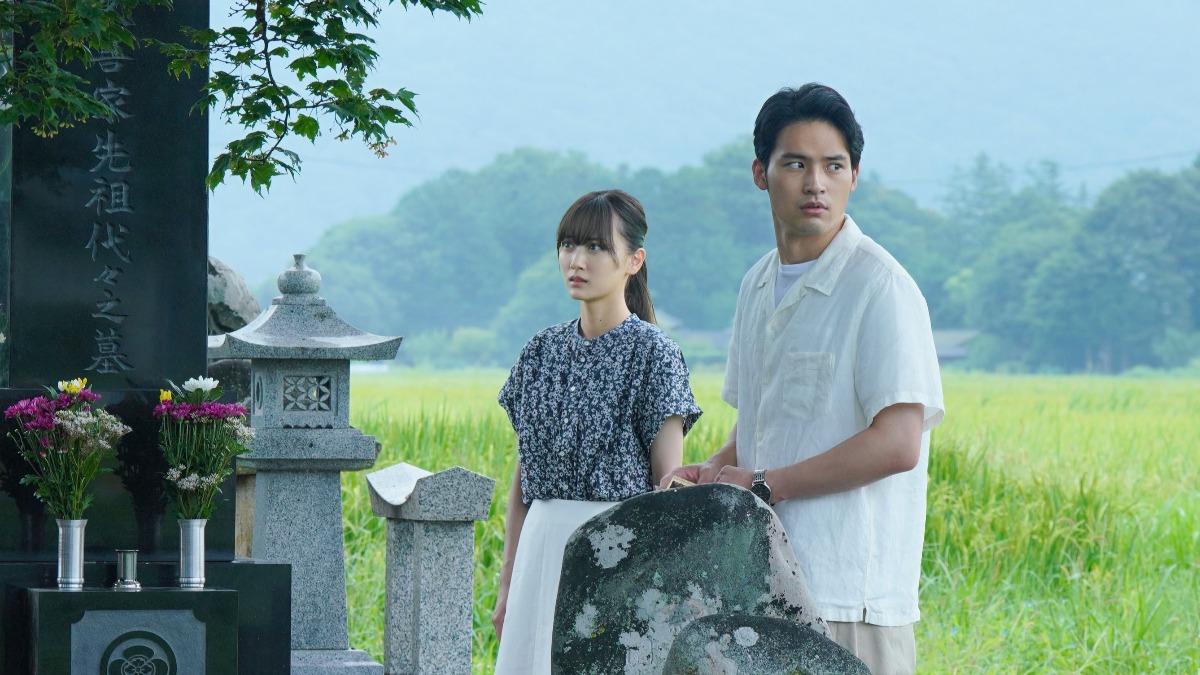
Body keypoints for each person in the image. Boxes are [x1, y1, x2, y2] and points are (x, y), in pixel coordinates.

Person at [662, 84, 944, 675]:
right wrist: (712, 475)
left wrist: (765, 485)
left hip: (847, 598)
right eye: (795, 164)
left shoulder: (880, 288)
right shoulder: (757, 284)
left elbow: (898, 443)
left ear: (854, 176)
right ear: (760, 174)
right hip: (759, 588)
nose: (816, 183)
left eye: (833, 166)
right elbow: (762, 425)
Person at [492, 189, 702, 674]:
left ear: (634, 261)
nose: (576, 260)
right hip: (540, 549)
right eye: (568, 245)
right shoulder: (540, 352)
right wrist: (507, 583)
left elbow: (667, 486)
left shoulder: (654, 354)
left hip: (616, 556)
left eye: (595, 247)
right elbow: (525, 480)